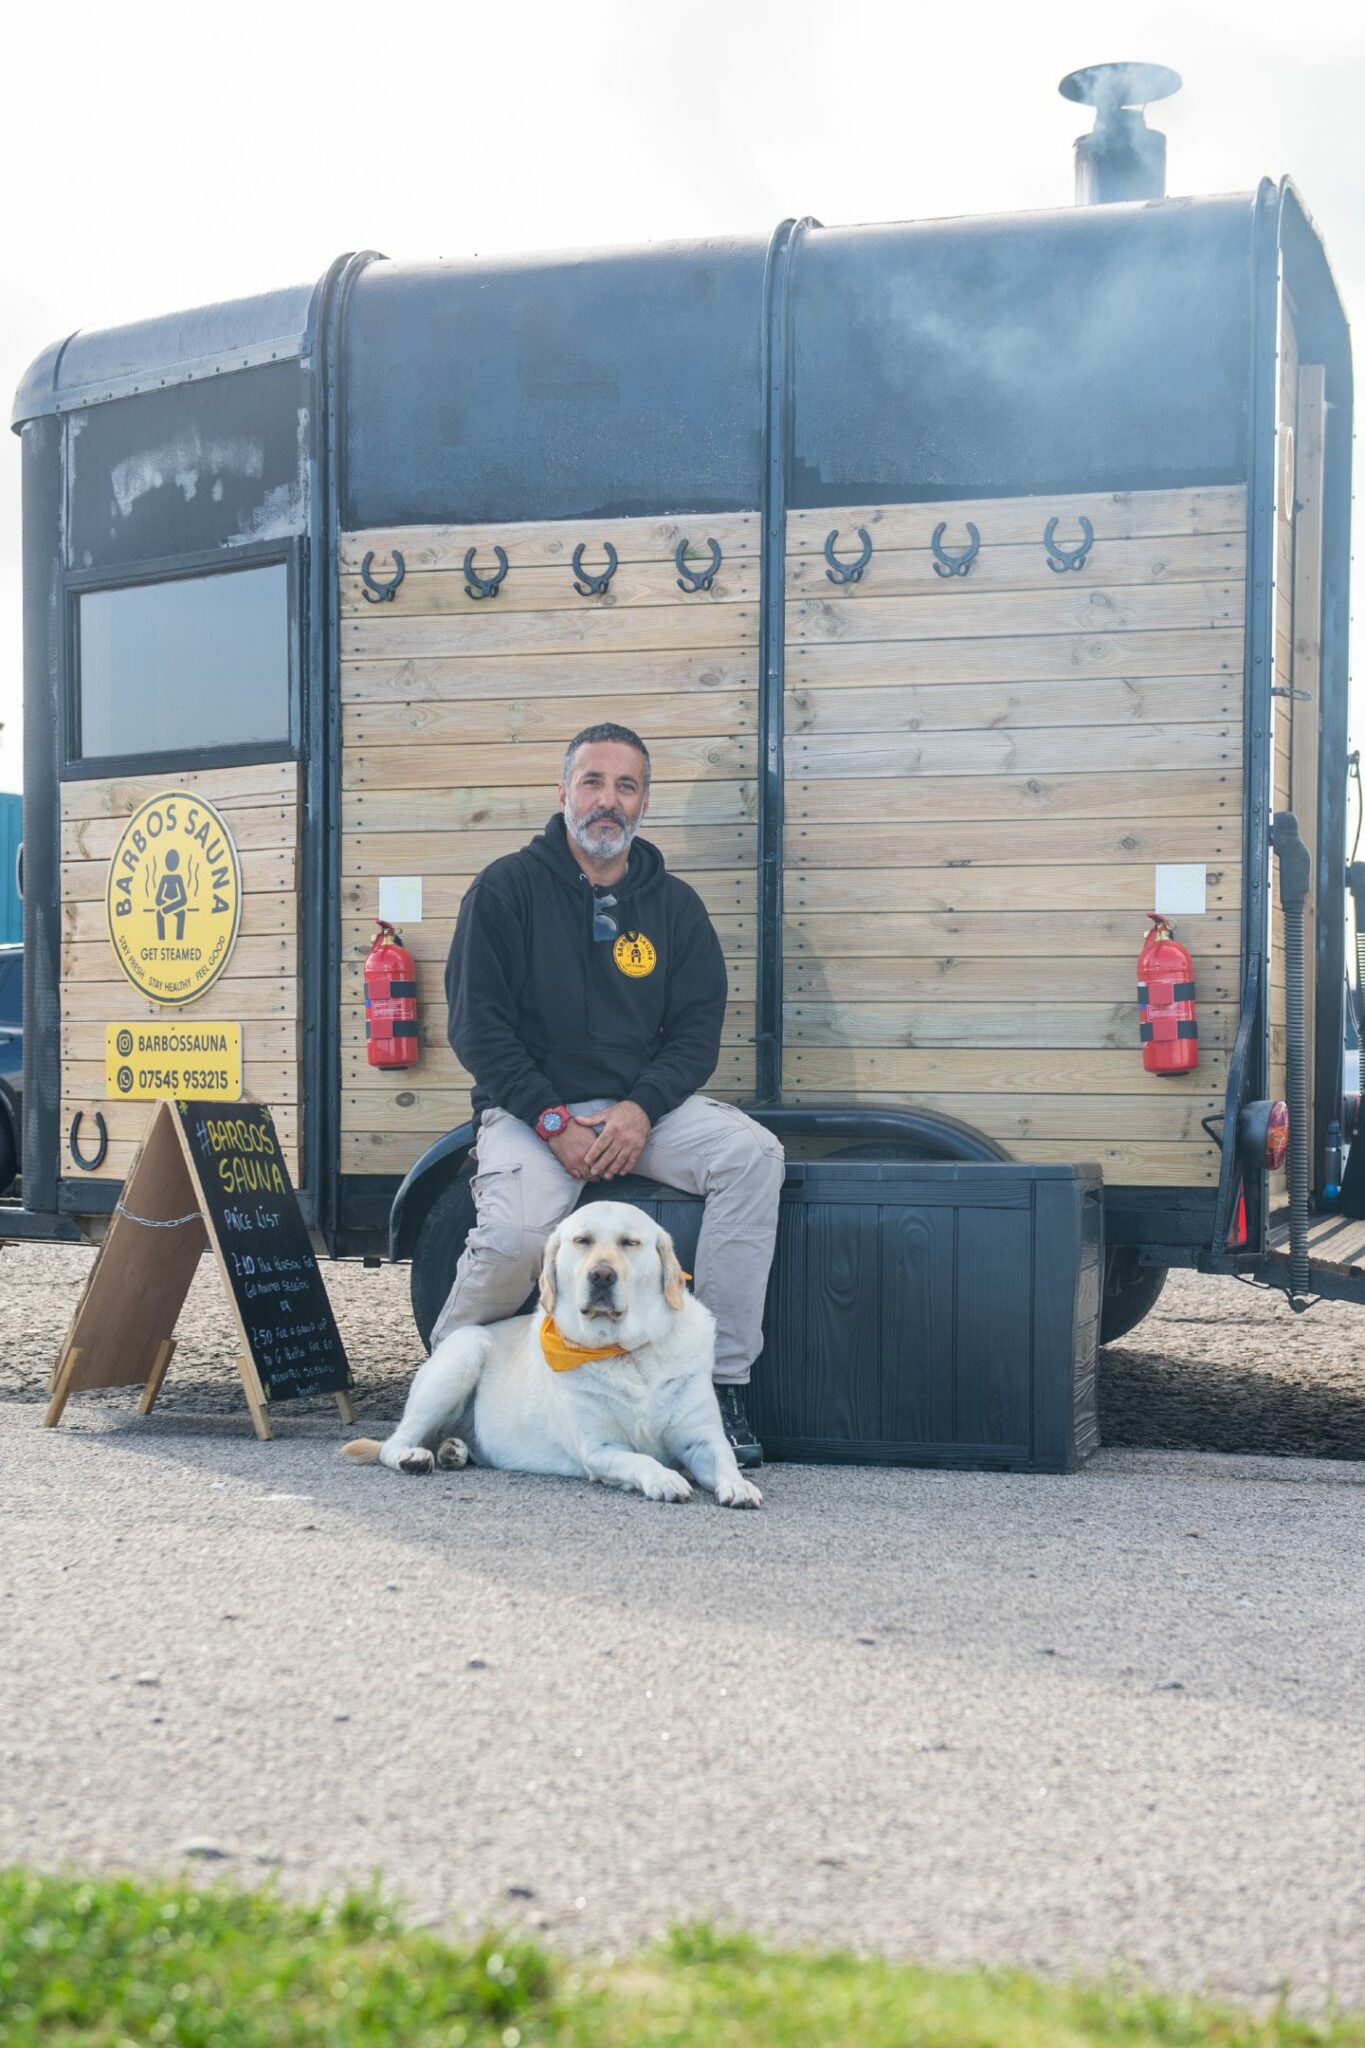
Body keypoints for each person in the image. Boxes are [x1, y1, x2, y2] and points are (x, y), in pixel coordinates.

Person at [431, 720, 784, 1466]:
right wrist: (552, 1118)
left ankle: (718, 1387)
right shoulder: (505, 889)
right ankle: (443, 1380)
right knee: (516, 1240)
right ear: (563, 794)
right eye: (592, 781)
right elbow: (477, 1027)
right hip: (532, 1111)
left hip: (640, 1111)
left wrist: (638, 1109)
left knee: (751, 1156)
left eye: (626, 786)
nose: (607, 800)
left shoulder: (676, 908)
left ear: (642, 804)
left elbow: (695, 1033)